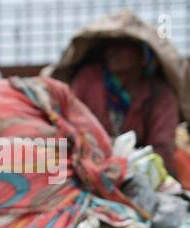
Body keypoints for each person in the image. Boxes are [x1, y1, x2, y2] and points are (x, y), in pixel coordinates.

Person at [71, 39, 180, 174]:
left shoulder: (160, 94)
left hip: (137, 170)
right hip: (89, 164)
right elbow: (70, 125)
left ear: (143, 55)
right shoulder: (89, 80)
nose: (112, 52)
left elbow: (163, 147)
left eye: (122, 46)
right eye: (109, 47)